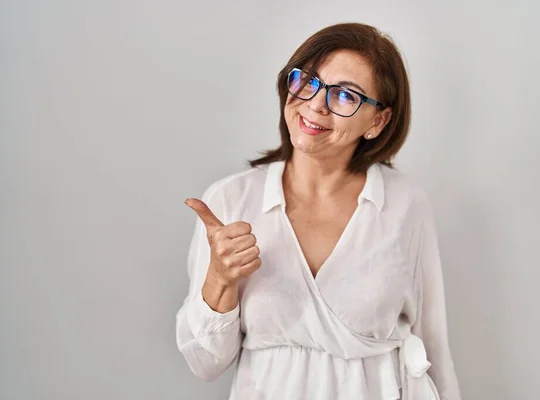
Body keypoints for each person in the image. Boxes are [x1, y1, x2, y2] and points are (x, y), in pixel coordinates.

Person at [176, 22, 461, 400]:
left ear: (378, 121)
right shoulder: (231, 199)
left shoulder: (405, 203)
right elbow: (205, 364)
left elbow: (433, 345)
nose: (315, 104)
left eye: (345, 95)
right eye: (307, 81)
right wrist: (220, 279)